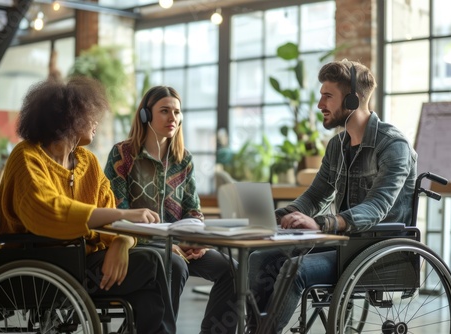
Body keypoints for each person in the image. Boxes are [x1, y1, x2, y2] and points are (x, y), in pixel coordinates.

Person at [247, 60, 417, 333]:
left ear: (352, 99)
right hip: (342, 244)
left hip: (376, 249)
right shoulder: (336, 146)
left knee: (296, 269)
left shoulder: (393, 145)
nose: (319, 104)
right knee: (259, 258)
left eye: (328, 96)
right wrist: (280, 216)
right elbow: (315, 196)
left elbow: (377, 206)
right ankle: (255, 329)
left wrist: (323, 223)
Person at [0, 77, 176, 334]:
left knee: (170, 264)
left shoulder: (88, 162)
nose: (96, 122)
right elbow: (48, 210)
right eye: (90, 115)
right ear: (69, 119)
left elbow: (111, 215)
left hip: (83, 260)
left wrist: (122, 242)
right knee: (152, 263)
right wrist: (125, 214)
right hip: (46, 262)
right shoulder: (27, 157)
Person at [104, 85, 238, 334]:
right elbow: (116, 212)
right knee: (174, 264)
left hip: (180, 245)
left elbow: (193, 210)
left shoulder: (183, 159)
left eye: (176, 112)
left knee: (232, 269)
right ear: (146, 115)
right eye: (165, 111)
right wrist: (164, 243)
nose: (172, 118)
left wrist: (195, 239)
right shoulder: (123, 155)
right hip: (139, 244)